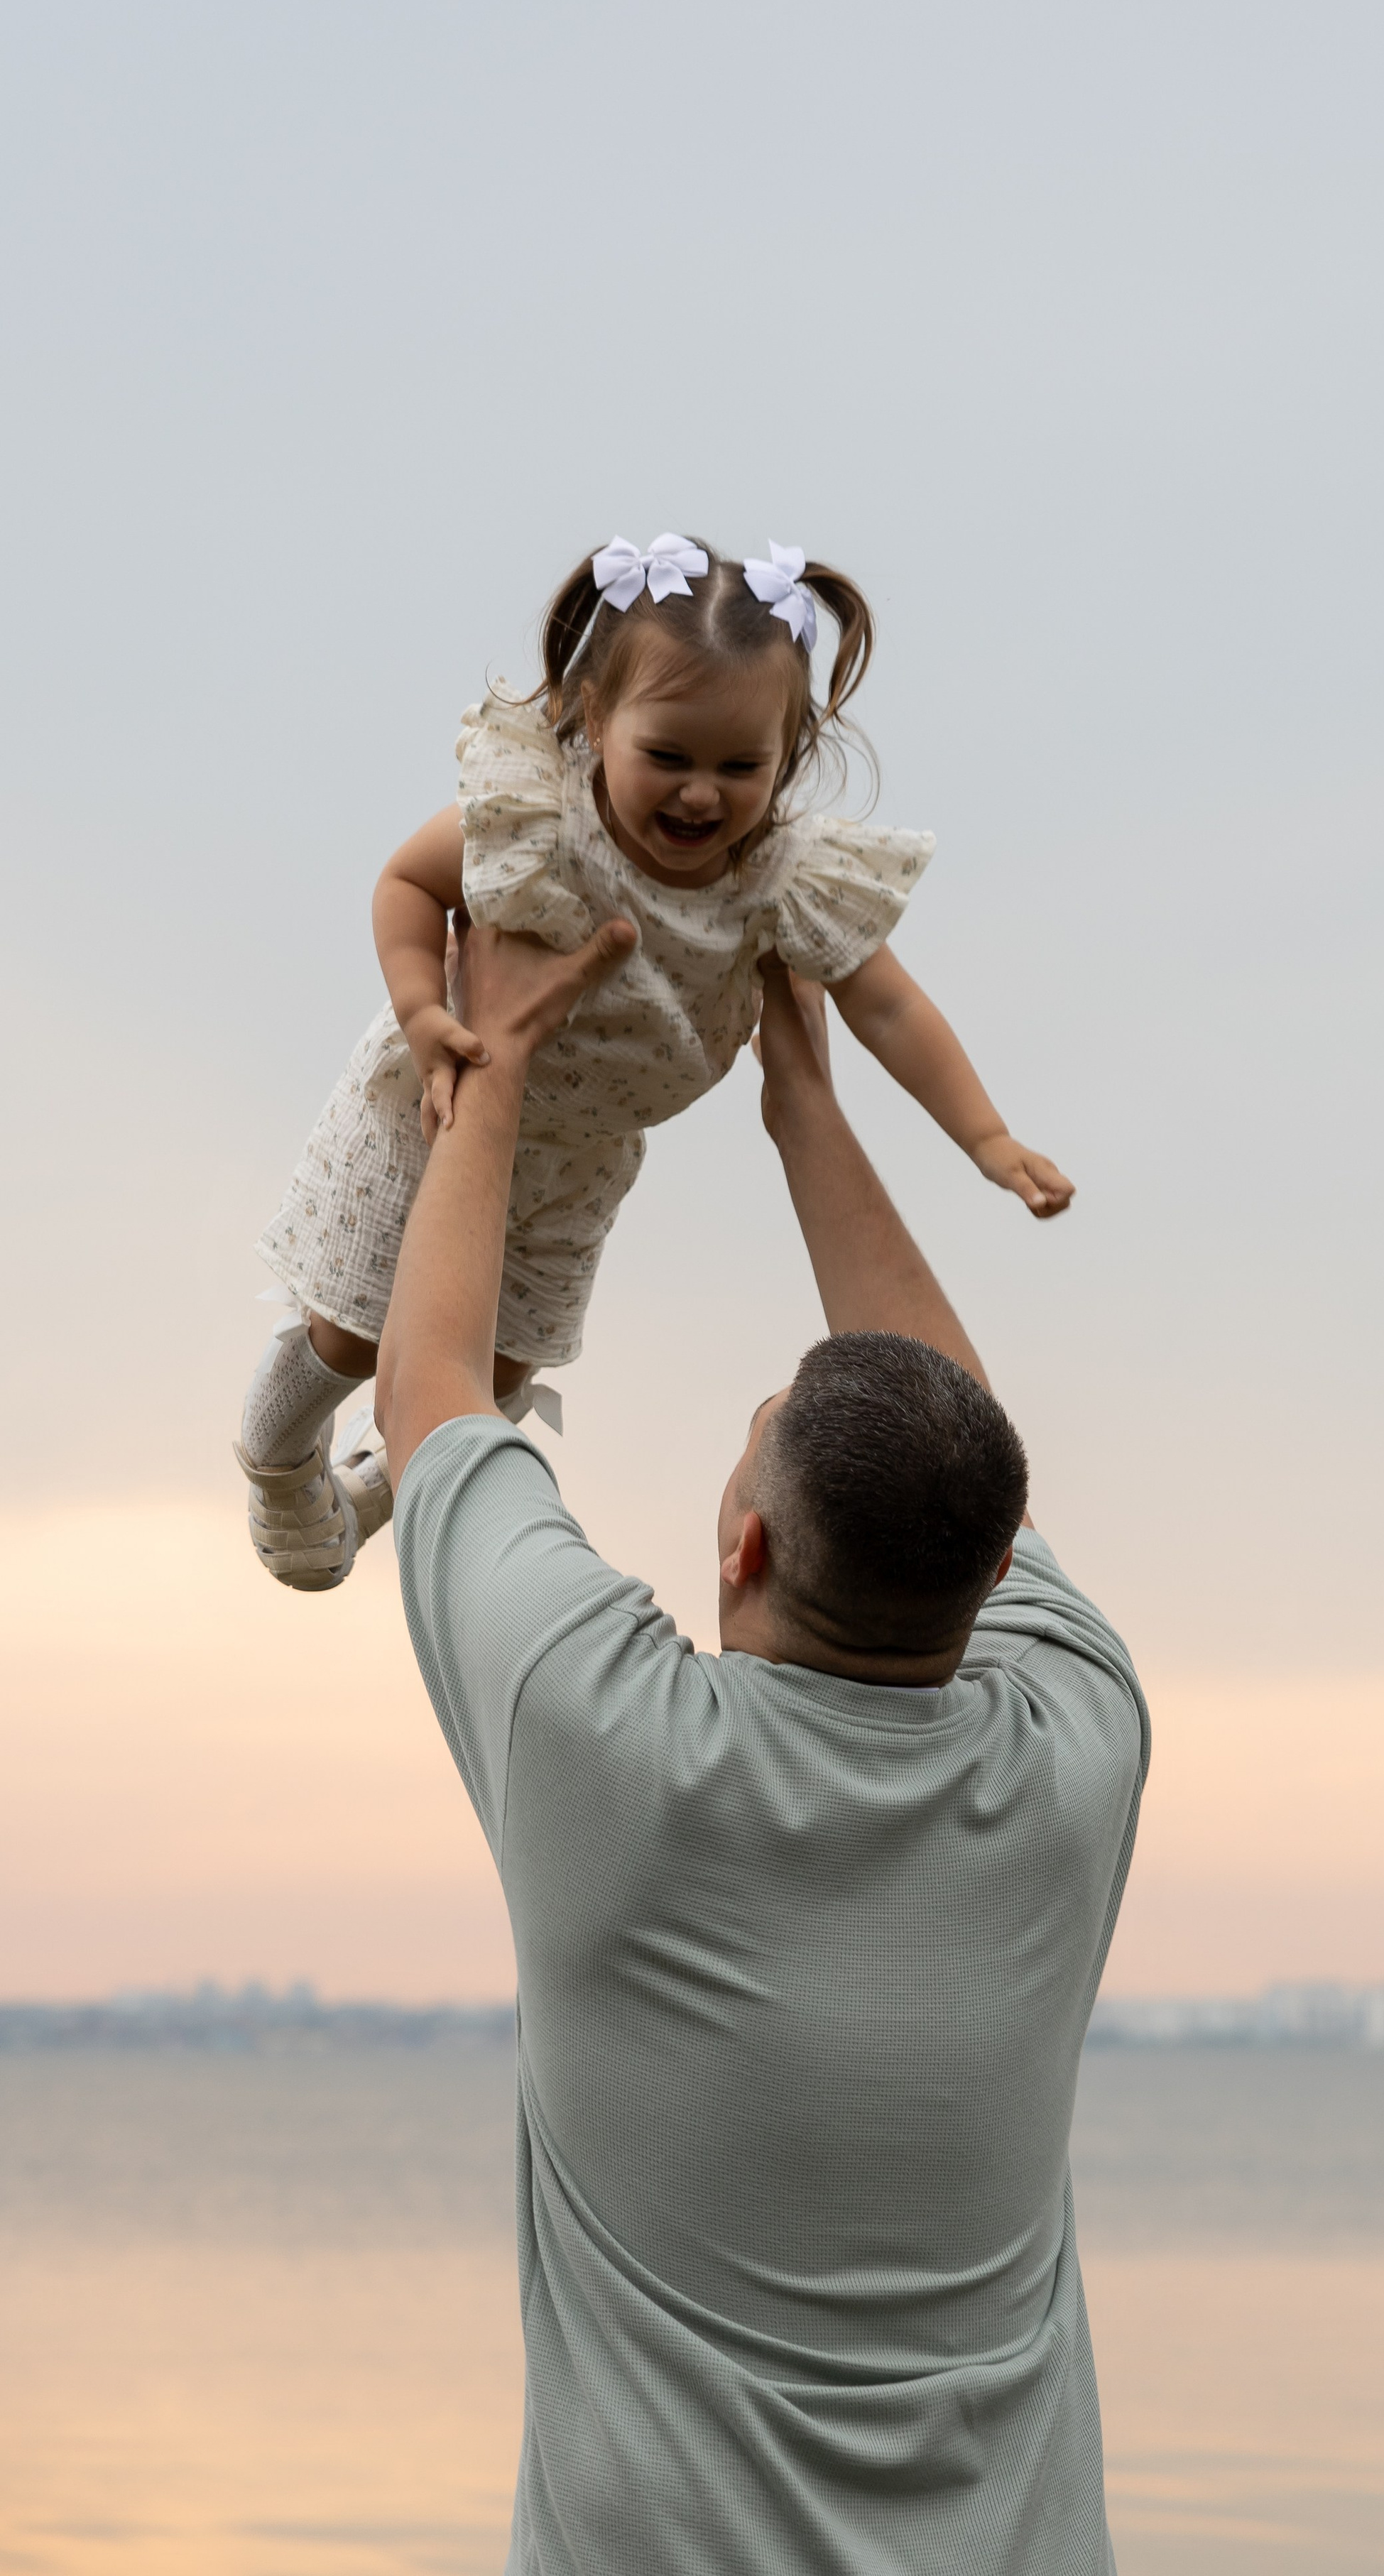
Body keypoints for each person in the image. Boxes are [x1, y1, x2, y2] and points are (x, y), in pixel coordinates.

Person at [372, 910, 1148, 2576]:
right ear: (995, 1569)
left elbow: (430, 1387)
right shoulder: (1077, 1748)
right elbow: (957, 1440)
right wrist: (811, 1101)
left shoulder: (611, 1750)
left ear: (741, 1550)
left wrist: (495, 1065)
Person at [238, 533, 1073, 1590]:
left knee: (496, 1372)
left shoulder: (782, 878)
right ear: (597, 723)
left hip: (584, 1153)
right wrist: (418, 1010)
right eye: (668, 757)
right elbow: (407, 885)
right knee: (358, 1334)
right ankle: (276, 1457)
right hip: (442, 1094)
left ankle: (371, 1489)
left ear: (790, 755)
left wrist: (986, 1138)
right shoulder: (542, 824)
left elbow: (892, 1007)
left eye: (741, 767)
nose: (700, 795)